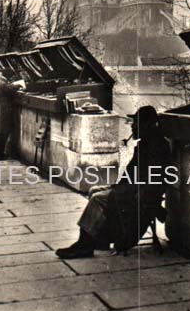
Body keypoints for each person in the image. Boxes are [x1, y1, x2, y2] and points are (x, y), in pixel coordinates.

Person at [55, 106, 171, 259]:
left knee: (98, 199)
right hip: (130, 188)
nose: (133, 126)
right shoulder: (147, 144)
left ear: (147, 125)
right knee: (94, 190)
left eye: (136, 123)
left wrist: (122, 191)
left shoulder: (156, 147)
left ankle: (84, 245)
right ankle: (98, 239)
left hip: (136, 194)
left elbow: (151, 182)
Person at [0, 71, 24, 160]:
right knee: (2, 132)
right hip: (3, 109)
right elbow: (10, 88)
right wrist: (20, 84)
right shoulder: (3, 83)